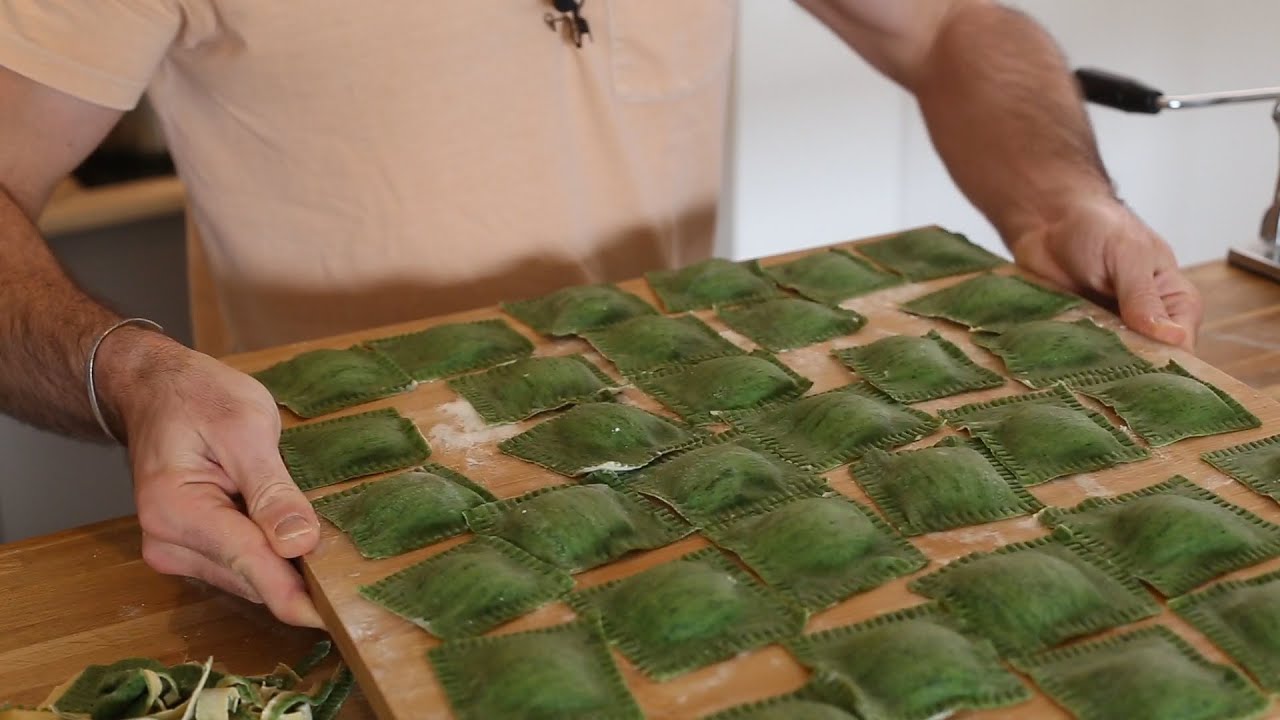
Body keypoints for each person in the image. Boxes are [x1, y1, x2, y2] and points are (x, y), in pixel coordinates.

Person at [0, 0, 1202, 628]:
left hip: (708, 489)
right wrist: (134, 373)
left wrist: (1057, 195)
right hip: (344, 527)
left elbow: (948, 22)